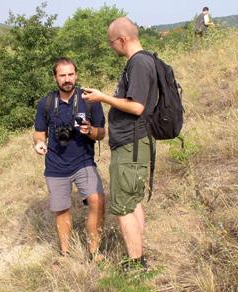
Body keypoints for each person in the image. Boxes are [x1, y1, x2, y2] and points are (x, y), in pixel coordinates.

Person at [82, 17, 158, 270]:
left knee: (123, 206)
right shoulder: (145, 61)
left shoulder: (138, 64)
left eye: (112, 42)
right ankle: (138, 255)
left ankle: (136, 264)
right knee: (132, 200)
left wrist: (103, 97)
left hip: (131, 143)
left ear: (123, 40)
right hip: (134, 143)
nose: (111, 47)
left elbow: (137, 106)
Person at [33, 57, 106, 257]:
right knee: (62, 209)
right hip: (56, 165)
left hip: (84, 162)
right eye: (62, 75)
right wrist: (39, 143)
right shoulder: (46, 103)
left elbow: (101, 133)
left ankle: (94, 250)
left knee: (97, 201)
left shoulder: (89, 100)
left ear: (76, 75)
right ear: (55, 78)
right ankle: (66, 252)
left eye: (71, 74)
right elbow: (39, 132)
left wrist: (90, 130)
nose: (67, 79)